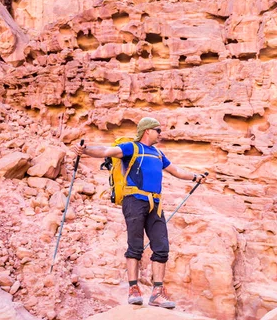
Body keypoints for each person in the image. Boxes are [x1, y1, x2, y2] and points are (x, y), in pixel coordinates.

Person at [72, 117, 206, 308]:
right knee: (134, 245)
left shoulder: (159, 154)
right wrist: (85, 151)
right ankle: (133, 289)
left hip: (155, 204)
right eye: (157, 130)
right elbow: (106, 151)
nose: (160, 133)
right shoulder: (131, 148)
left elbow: (176, 170)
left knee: (161, 247)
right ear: (147, 131)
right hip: (134, 200)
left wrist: (195, 177)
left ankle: (157, 293)